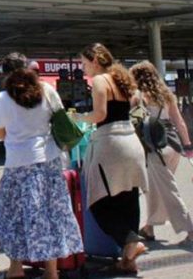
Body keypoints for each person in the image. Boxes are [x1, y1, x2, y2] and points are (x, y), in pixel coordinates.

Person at [0, 53, 83, 279]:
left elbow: (0, 133)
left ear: (5, 74)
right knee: (49, 215)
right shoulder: (46, 90)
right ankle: (51, 272)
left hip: (18, 164)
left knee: (11, 215)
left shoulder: (1, 98)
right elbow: (60, 118)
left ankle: (15, 268)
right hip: (49, 161)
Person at [74, 43, 148, 274]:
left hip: (111, 145)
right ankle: (127, 261)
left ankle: (131, 243)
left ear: (95, 61)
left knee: (99, 202)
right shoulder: (121, 79)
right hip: (131, 142)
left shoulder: (99, 81)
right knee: (129, 198)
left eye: (84, 63)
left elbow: (100, 114)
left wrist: (79, 117)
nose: (83, 69)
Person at [130, 60, 193, 244]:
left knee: (168, 190)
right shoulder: (166, 95)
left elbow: (134, 123)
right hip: (173, 145)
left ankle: (190, 230)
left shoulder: (138, 97)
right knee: (156, 188)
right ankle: (149, 228)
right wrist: (188, 145)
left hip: (154, 148)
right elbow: (179, 122)